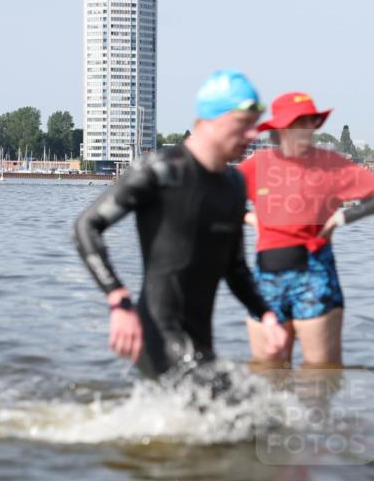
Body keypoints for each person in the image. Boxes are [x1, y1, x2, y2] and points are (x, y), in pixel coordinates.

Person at [73, 69, 288, 379]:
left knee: (248, 403)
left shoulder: (234, 185)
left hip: (200, 341)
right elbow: (86, 227)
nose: (253, 135)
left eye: (255, 125)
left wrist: (266, 315)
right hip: (158, 336)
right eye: (244, 123)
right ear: (210, 120)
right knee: (236, 402)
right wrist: (118, 299)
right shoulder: (161, 170)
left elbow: (236, 268)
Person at [238, 91, 374, 365]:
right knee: (266, 374)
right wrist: (250, 219)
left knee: (321, 373)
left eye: (308, 121)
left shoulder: (330, 164)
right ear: (280, 127)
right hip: (267, 281)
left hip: (315, 277)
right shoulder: (257, 165)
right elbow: (215, 198)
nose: (304, 128)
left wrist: (340, 219)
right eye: (296, 122)